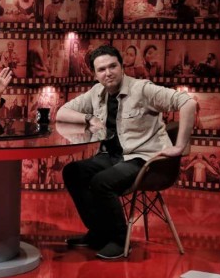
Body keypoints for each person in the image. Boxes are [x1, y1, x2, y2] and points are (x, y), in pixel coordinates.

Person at [56, 45, 196, 260]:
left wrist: (180, 147)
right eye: (101, 69)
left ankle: (121, 240)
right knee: (73, 172)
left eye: (112, 66)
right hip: (112, 156)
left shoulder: (142, 89)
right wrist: (88, 118)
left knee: (102, 182)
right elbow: (62, 112)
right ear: (95, 74)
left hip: (143, 159)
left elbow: (188, 103)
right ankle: (99, 233)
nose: (108, 73)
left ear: (122, 67)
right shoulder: (97, 92)